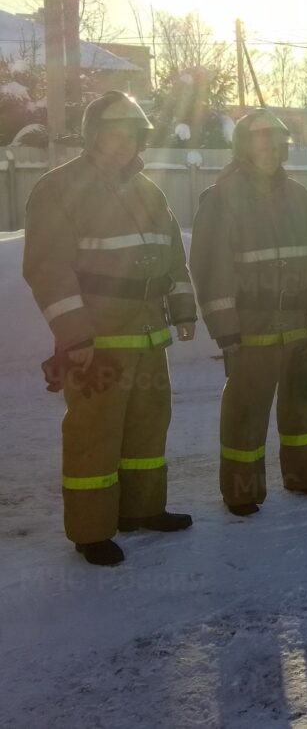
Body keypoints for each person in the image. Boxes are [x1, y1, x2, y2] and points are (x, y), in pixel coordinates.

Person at [23, 91, 196, 566]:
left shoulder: (149, 191)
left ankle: (142, 510)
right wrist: (75, 335)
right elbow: (46, 267)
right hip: (96, 345)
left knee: (147, 425)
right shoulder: (60, 188)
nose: (122, 142)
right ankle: (91, 529)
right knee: (93, 433)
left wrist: (182, 310)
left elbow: (171, 256)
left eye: (131, 132)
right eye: (112, 132)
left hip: (147, 336)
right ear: (93, 135)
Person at [190, 110, 307, 516]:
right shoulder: (220, 199)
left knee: (302, 406)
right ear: (244, 147)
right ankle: (241, 493)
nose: (271, 150)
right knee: (246, 411)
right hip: (250, 328)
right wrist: (225, 327)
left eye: (277, 143)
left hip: (298, 326)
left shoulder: (302, 198)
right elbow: (209, 269)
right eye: (262, 142)